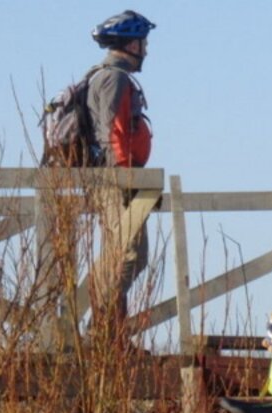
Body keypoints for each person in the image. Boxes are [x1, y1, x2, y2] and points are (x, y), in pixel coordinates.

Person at [88, 10, 155, 317]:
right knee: (130, 254)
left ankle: (111, 334)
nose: (146, 50)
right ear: (131, 45)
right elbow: (114, 130)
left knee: (120, 254)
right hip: (116, 178)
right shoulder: (113, 79)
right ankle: (103, 328)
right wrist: (127, 180)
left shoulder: (105, 76)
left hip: (114, 176)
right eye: (142, 43)